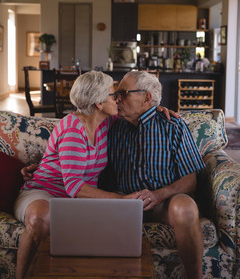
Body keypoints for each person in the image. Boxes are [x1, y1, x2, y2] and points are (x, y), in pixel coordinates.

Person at [15, 70, 174, 279]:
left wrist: (156, 108)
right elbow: (75, 186)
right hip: (44, 192)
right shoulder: (74, 130)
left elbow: (138, 114)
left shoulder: (105, 122)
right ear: (99, 103)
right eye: (113, 95)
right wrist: (122, 200)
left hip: (77, 201)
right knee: (40, 218)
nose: (118, 99)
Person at [104, 71, 205, 279]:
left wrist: (158, 195)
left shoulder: (172, 125)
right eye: (117, 93)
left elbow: (190, 179)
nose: (117, 98)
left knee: (185, 209)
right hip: (123, 201)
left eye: (124, 93)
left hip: (164, 203)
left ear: (147, 98)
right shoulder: (112, 126)